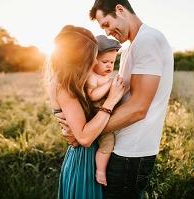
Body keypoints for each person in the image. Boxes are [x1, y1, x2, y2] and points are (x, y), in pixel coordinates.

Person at [58, 0, 174, 198]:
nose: (107, 32)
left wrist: (85, 134)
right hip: (119, 148)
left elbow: (138, 108)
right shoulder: (130, 48)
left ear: (120, 10)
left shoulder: (149, 40)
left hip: (131, 153)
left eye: (106, 24)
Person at [46, 25, 125, 199]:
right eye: (91, 58)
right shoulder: (65, 87)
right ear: (77, 60)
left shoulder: (74, 82)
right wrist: (111, 101)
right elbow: (84, 138)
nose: (93, 62)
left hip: (88, 156)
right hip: (84, 160)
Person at [86, 35, 122, 186]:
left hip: (107, 115)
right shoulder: (92, 77)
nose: (109, 66)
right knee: (108, 144)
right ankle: (100, 171)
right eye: (105, 62)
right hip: (97, 116)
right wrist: (110, 84)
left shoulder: (105, 76)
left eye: (112, 62)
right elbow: (93, 95)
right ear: (93, 61)